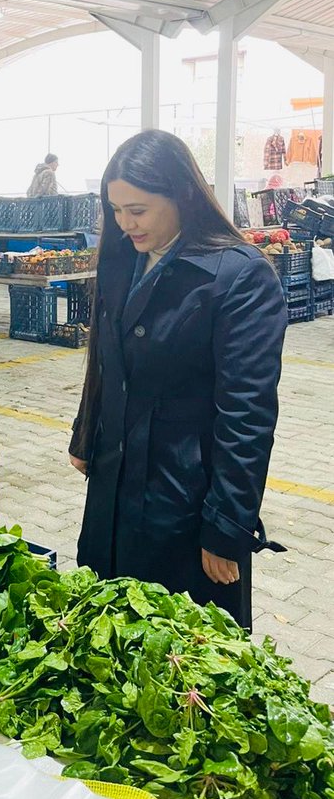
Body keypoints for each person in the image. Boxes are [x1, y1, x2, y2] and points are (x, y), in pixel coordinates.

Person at [68, 130, 286, 628]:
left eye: (138, 210)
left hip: (184, 496)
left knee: (181, 648)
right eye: (115, 210)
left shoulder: (239, 276)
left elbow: (247, 414)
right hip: (114, 486)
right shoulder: (122, 260)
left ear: (183, 194)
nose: (125, 224)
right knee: (104, 635)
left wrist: (226, 527)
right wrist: (85, 433)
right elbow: (104, 358)